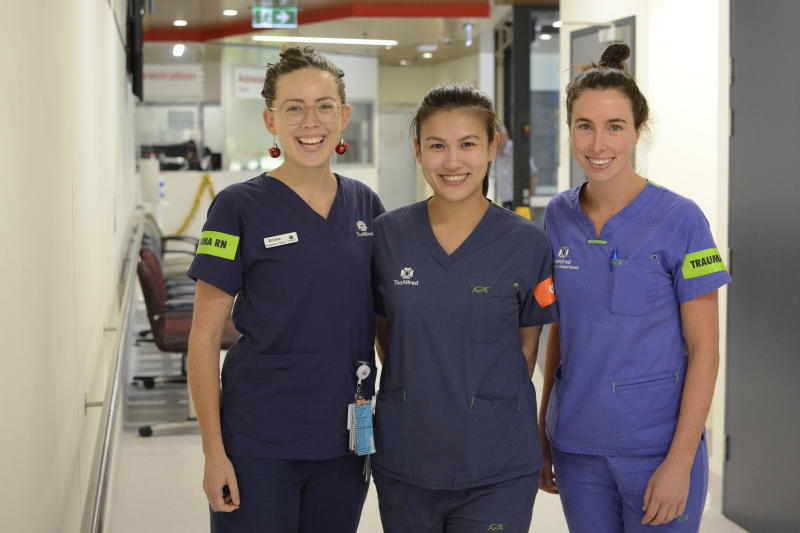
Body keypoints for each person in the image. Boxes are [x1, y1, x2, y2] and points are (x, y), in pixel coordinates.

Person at [186, 44, 384, 533]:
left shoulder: (367, 206)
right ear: (271, 121)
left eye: (323, 106)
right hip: (259, 439)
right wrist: (214, 452)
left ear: (344, 116)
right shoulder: (236, 208)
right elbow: (203, 339)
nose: (309, 121)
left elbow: (384, 323)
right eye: (293, 108)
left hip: (343, 440)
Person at [538, 44, 731, 532]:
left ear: (638, 132)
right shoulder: (558, 217)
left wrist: (681, 461)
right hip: (578, 447)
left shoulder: (682, 220)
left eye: (615, 127)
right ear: (570, 130)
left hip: (657, 448)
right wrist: (544, 429)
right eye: (585, 126)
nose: (598, 144)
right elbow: (559, 331)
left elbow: (705, 348)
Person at [372, 83, 559, 533]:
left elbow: (526, 346)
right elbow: (386, 336)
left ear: (493, 145)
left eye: (468, 144)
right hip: (406, 457)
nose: (452, 162)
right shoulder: (388, 236)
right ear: (418, 150)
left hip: (497, 462)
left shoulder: (528, 242)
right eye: (437, 145)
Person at [488, 122, 539, 210]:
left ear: (506, 135)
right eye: (493, 137)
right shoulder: (495, 156)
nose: (497, 140)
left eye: (499, 136)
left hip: (519, 204)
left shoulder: (516, 152)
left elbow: (533, 176)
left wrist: (528, 203)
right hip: (504, 204)